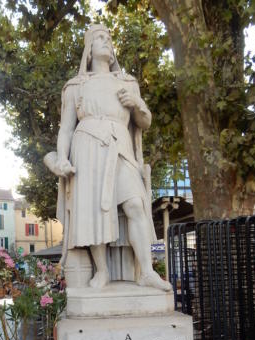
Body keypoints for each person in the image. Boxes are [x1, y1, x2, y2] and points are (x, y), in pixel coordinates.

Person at [45, 24, 170, 291]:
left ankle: (146, 271)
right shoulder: (76, 86)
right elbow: (65, 128)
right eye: (99, 38)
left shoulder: (127, 83)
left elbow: (144, 122)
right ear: (88, 50)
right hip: (87, 146)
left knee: (136, 203)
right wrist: (62, 159)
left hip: (120, 145)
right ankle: (102, 271)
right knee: (93, 212)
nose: (105, 41)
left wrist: (137, 103)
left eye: (108, 38)